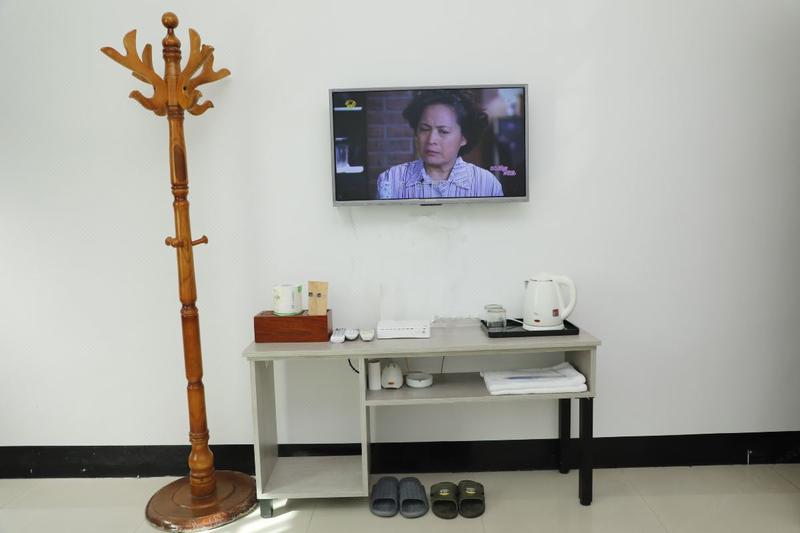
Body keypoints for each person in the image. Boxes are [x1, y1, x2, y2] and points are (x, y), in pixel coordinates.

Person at [376, 90, 503, 199]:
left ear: (464, 138)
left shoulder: (487, 184)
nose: (431, 140)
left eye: (443, 131)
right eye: (424, 129)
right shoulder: (391, 180)